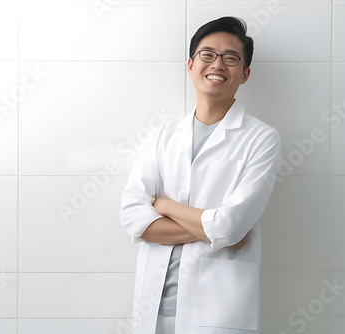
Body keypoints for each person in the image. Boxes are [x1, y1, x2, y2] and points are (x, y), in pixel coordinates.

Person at [119, 16, 281, 334]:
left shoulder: (262, 138)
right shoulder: (161, 137)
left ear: (245, 74)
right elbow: (132, 218)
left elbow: (231, 226)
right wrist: (215, 231)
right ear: (191, 64)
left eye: (231, 58)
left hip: (217, 311)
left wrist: (165, 207)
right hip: (153, 310)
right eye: (208, 55)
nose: (217, 64)